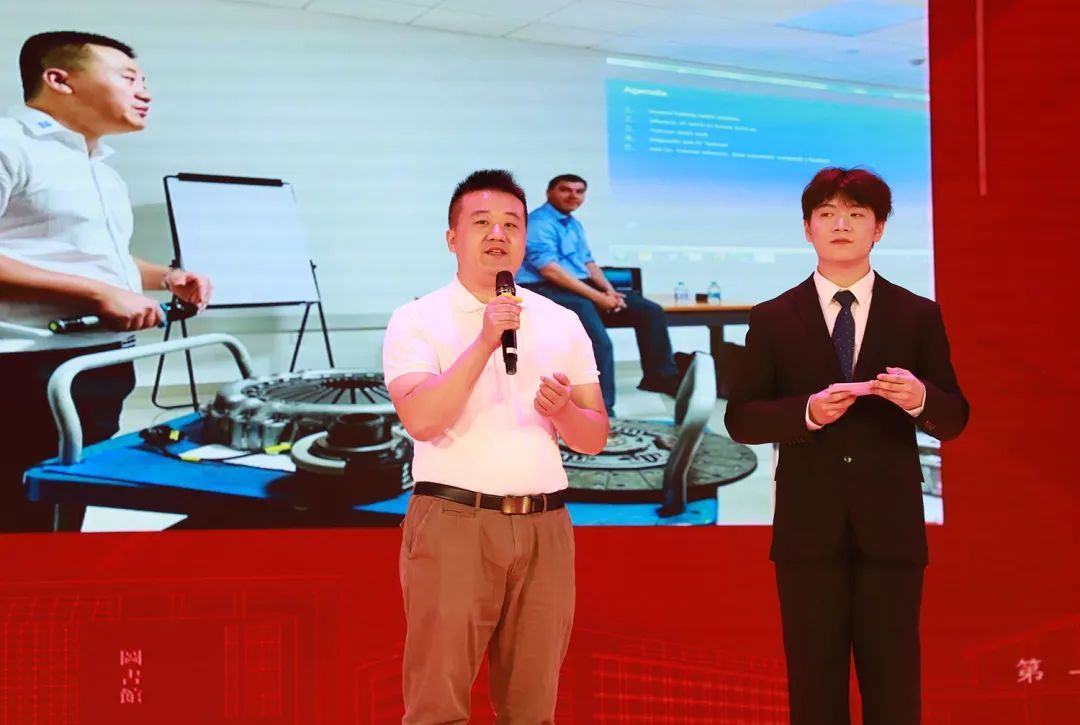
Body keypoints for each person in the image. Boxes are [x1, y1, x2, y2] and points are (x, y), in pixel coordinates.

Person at [724, 167, 969, 724]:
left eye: (857, 214)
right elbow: (741, 418)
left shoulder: (917, 313)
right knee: (814, 690)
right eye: (828, 214)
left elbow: (954, 417)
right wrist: (807, 413)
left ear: (878, 229)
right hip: (808, 532)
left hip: (892, 531)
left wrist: (919, 398)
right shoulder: (773, 317)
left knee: (894, 687)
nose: (841, 225)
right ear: (807, 228)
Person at [383, 169, 608, 723]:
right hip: (455, 520)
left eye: (512, 224)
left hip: (546, 526)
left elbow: (594, 437)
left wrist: (564, 410)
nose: (498, 234)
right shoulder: (416, 320)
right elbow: (422, 419)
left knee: (532, 708)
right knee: (437, 706)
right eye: (481, 222)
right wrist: (486, 338)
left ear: (525, 238)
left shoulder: (562, 321)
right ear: (451, 237)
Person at [0, 32, 211, 532]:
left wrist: (165, 277)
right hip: (25, 369)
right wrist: (98, 294)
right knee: (17, 509)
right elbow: (94, 280)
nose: (145, 92)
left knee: (62, 503)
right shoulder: (10, 144)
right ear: (59, 80)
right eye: (128, 77)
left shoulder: (100, 168)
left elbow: (93, 258)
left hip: (101, 362)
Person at [517, 173, 681, 417]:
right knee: (597, 338)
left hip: (575, 285)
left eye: (579, 191)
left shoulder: (573, 224)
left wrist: (610, 292)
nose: (573, 195)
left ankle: (659, 378)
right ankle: (600, 409)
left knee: (649, 311)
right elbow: (550, 271)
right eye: (565, 189)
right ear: (549, 192)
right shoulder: (538, 223)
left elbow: (588, 263)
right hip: (543, 288)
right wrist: (598, 298)